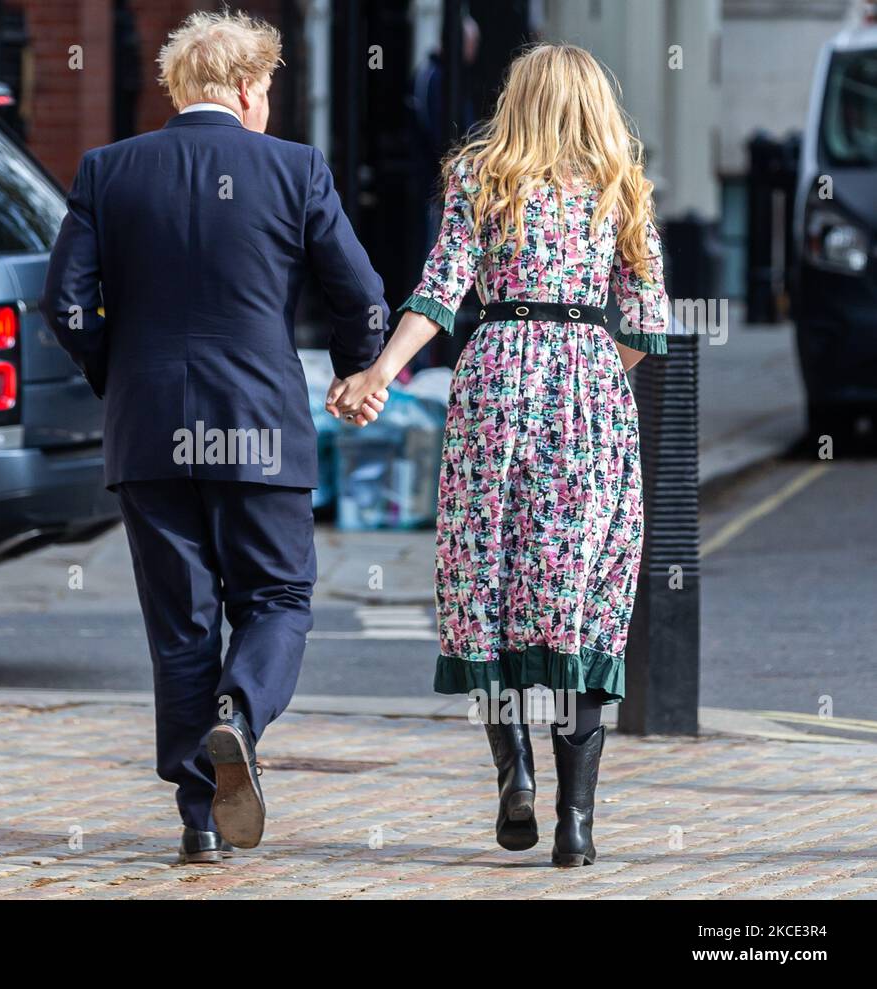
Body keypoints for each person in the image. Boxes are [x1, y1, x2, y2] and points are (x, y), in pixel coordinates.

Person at [43, 9, 389, 865]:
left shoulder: (108, 170)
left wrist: (117, 375)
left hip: (149, 431)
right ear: (242, 88)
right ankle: (240, 710)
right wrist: (356, 369)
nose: (267, 102)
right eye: (266, 87)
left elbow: (67, 303)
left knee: (181, 621)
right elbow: (361, 290)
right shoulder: (295, 170)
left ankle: (199, 817)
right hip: (260, 426)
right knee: (276, 599)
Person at [328, 43, 669, 867]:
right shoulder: (621, 184)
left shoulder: (481, 175)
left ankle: (513, 767)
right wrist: (589, 368)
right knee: (584, 591)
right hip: (587, 385)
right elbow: (649, 323)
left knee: (486, 577)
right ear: (594, 102)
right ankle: (576, 822)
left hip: (494, 377)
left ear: (517, 97)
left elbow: (442, 290)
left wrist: (380, 370)